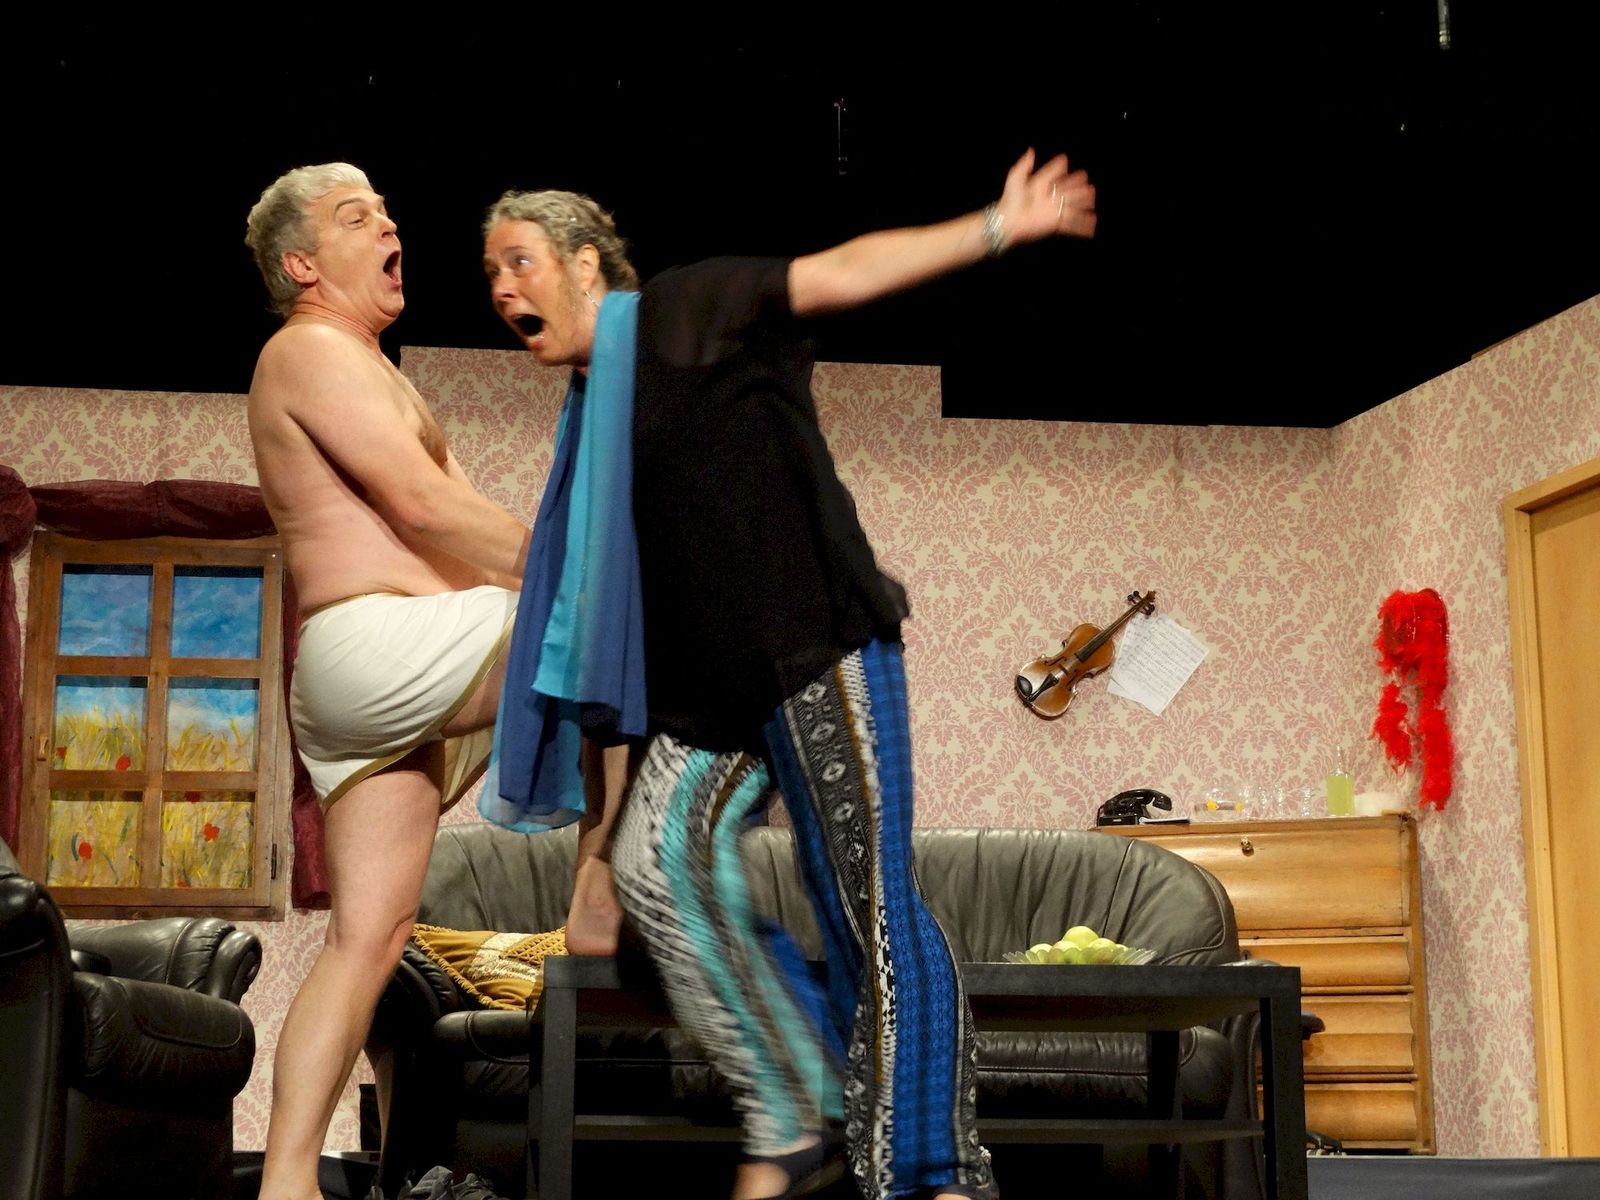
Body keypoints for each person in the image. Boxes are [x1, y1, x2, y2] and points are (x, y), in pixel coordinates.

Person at [482, 149, 1096, 1200]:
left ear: (587, 264)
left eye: (519, 261)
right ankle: (797, 1100)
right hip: (706, 698)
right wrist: (595, 846)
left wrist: (997, 225)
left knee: (863, 896)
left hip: (819, 645)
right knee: (653, 869)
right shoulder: (589, 421)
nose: (502, 287)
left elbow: (842, 271)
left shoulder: (686, 308)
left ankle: (933, 1170)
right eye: (491, 271)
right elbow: (603, 653)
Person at [244, 162, 533, 1200]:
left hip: (384, 668)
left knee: (366, 941)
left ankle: (284, 1184)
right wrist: (578, 570)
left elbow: (457, 527)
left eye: (386, 211)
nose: (387, 225)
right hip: (378, 649)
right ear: (302, 264)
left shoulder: (373, 366)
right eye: (355, 217)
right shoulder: (308, 350)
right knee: (615, 630)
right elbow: (420, 508)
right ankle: (600, 908)